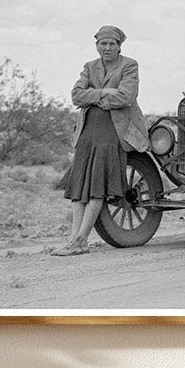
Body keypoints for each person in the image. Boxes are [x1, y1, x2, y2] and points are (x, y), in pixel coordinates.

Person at [54, 24, 149, 256]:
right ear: (97, 46)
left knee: (97, 188)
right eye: (103, 43)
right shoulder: (90, 67)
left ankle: (81, 240)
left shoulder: (129, 65)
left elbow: (126, 97)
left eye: (112, 44)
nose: (107, 48)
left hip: (113, 131)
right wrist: (105, 93)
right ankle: (73, 239)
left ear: (119, 46)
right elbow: (76, 96)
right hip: (87, 132)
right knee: (79, 187)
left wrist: (94, 97)